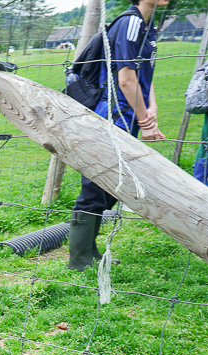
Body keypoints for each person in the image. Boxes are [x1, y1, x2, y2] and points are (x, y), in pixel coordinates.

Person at [67, 0, 167, 271]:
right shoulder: (131, 22)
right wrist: (146, 121)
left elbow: (144, 71)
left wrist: (150, 107)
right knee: (95, 184)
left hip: (128, 114)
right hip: (111, 115)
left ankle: (90, 250)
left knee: (109, 185)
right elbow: (126, 79)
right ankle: (78, 260)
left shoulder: (148, 26)